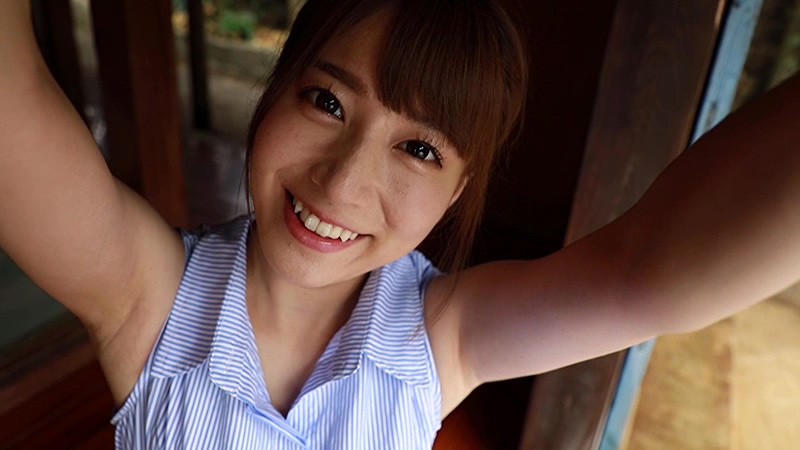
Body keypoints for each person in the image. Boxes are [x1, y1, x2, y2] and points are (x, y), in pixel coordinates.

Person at [2, 0, 799, 448]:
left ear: (457, 192)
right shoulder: (150, 301)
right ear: (274, 93)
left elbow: (648, 275)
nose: (345, 180)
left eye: (419, 148)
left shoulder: (440, 340)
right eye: (327, 101)